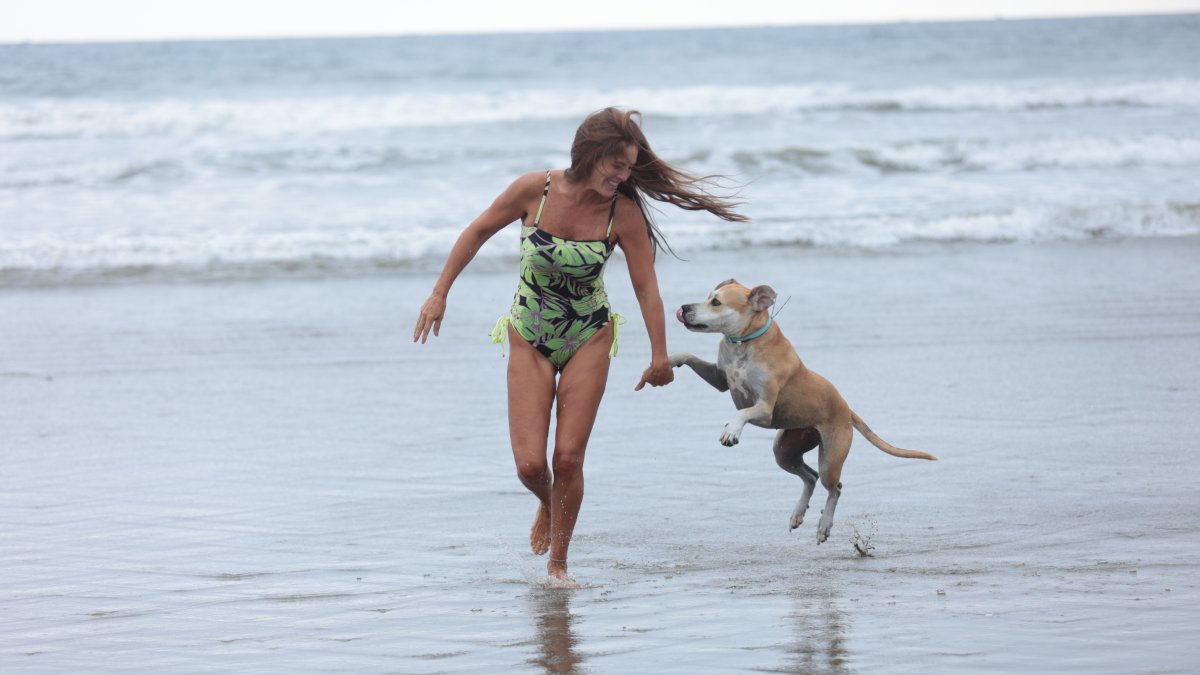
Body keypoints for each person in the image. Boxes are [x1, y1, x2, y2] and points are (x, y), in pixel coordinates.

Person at [412, 107, 746, 587]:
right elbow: (479, 230)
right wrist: (440, 292)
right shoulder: (536, 190)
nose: (624, 176)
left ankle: (559, 565)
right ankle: (548, 504)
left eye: (630, 167)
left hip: (589, 334)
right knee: (531, 467)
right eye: (617, 165)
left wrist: (658, 354)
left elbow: (646, 289)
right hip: (529, 334)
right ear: (590, 155)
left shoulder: (622, 213)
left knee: (568, 458)